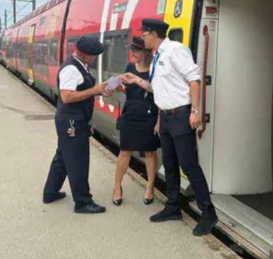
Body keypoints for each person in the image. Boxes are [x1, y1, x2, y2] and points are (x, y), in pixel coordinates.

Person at [120, 18, 218, 236]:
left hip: (181, 115)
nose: (142, 37)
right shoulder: (157, 57)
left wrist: (194, 110)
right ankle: (173, 207)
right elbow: (156, 88)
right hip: (164, 117)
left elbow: (194, 79)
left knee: (189, 165)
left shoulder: (175, 50)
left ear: (153, 34)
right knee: (170, 164)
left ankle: (208, 213)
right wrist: (135, 80)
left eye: (144, 34)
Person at [43, 35, 111, 214]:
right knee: (77, 160)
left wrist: (98, 92)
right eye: (95, 55)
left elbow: (80, 92)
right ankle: (82, 202)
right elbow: (66, 96)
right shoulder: (71, 69)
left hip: (75, 119)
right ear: (86, 55)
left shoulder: (81, 66)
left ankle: (50, 192)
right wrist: (94, 90)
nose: (96, 58)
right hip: (71, 121)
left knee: (63, 157)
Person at [112, 36, 160, 206]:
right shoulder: (130, 67)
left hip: (150, 114)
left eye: (136, 52)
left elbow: (162, 93)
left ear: (146, 52)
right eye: (132, 51)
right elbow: (127, 90)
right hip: (130, 114)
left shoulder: (156, 68)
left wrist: (159, 121)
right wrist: (119, 87)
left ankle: (150, 186)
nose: (132, 54)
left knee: (149, 152)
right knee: (125, 151)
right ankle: (117, 187)